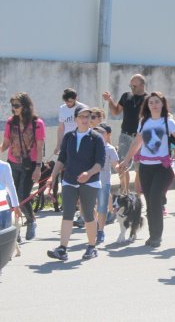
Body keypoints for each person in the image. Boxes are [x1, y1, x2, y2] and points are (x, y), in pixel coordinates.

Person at [118, 92, 175, 248]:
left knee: (155, 199)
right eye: (151, 103)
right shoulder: (144, 121)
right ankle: (152, 234)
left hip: (162, 167)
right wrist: (126, 160)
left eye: (157, 102)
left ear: (162, 104)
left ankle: (156, 236)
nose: (154, 105)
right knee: (150, 202)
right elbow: (137, 142)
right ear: (147, 106)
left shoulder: (168, 122)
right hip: (145, 167)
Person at [46, 106, 105, 261]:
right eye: (82, 117)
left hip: (90, 182)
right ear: (75, 119)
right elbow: (61, 159)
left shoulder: (96, 137)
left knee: (87, 214)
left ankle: (91, 247)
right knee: (68, 213)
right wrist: (52, 177)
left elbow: (100, 163)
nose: (85, 120)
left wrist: (89, 173)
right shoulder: (69, 137)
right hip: (69, 180)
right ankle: (62, 249)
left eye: (88, 117)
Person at [1, 92, 45, 241]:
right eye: (13, 105)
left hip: (30, 164)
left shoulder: (37, 123)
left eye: (17, 105)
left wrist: (38, 167)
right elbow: (6, 144)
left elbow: (39, 147)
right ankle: (15, 229)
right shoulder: (10, 122)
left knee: (23, 195)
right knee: (10, 196)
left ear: (25, 106)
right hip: (12, 163)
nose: (14, 108)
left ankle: (31, 220)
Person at [102, 74, 147, 194]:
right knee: (122, 165)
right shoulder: (126, 96)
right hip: (125, 135)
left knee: (139, 168)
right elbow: (116, 111)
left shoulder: (148, 99)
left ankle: (137, 197)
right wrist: (110, 100)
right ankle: (124, 192)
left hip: (140, 137)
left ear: (142, 85)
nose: (132, 87)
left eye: (134, 85)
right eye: (130, 85)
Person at [94, 123, 119, 245]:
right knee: (90, 207)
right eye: (96, 131)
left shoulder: (110, 149)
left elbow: (115, 165)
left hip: (103, 182)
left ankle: (100, 231)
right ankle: (93, 227)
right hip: (89, 182)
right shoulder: (89, 146)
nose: (98, 134)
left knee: (102, 208)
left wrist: (121, 167)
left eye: (101, 132)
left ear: (107, 135)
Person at [55, 88, 87, 155]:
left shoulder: (83, 108)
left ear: (75, 99)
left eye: (70, 101)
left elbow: (87, 126)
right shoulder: (62, 108)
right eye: (66, 101)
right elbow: (61, 128)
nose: (68, 103)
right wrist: (58, 145)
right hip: (67, 140)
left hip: (80, 140)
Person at [0, 157, 20, 236]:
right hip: (3, 205)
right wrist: (16, 206)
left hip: (2, 205)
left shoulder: (4, 166)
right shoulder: (4, 166)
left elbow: (11, 187)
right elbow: (10, 187)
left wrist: (16, 205)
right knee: (5, 232)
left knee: (5, 230)